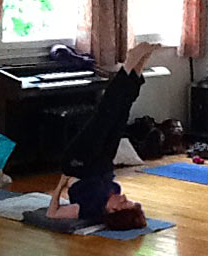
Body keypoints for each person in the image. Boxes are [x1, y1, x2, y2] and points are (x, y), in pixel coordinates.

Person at [45, 42, 160, 230]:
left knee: (106, 113)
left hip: (79, 161)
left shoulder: (90, 208)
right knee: (121, 115)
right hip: (102, 163)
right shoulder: (114, 190)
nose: (124, 197)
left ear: (113, 210)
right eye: (127, 200)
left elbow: (52, 214)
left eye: (123, 203)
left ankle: (131, 62)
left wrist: (60, 184)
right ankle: (138, 67)